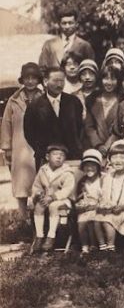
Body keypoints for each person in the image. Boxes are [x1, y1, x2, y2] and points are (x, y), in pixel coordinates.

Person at [1, 62, 44, 219]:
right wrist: (7, 147)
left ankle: (39, 220)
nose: (30, 81)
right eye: (27, 78)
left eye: (34, 78)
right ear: (22, 80)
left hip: (39, 146)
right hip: (20, 147)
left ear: (38, 80)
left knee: (39, 183)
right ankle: (23, 218)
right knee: (21, 184)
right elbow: (6, 124)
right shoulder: (14, 101)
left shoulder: (44, 98)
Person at [24, 66, 85, 168]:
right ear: (45, 81)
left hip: (72, 156)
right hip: (45, 158)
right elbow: (29, 133)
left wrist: (74, 146)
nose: (59, 85)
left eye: (62, 81)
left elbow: (79, 128)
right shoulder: (34, 105)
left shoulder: (74, 102)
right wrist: (45, 153)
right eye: (56, 81)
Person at [28, 143, 76, 254]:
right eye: (55, 154)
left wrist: (53, 197)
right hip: (46, 198)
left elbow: (67, 190)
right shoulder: (43, 170)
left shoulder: (67, 172)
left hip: (63, 199)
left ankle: (51, 236)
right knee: (39, 206)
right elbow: (37, 185)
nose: (59, 157)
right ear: (47, 157)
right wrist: (38, 194)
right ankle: (39, 236)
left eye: (62, 155)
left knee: (54, 206)